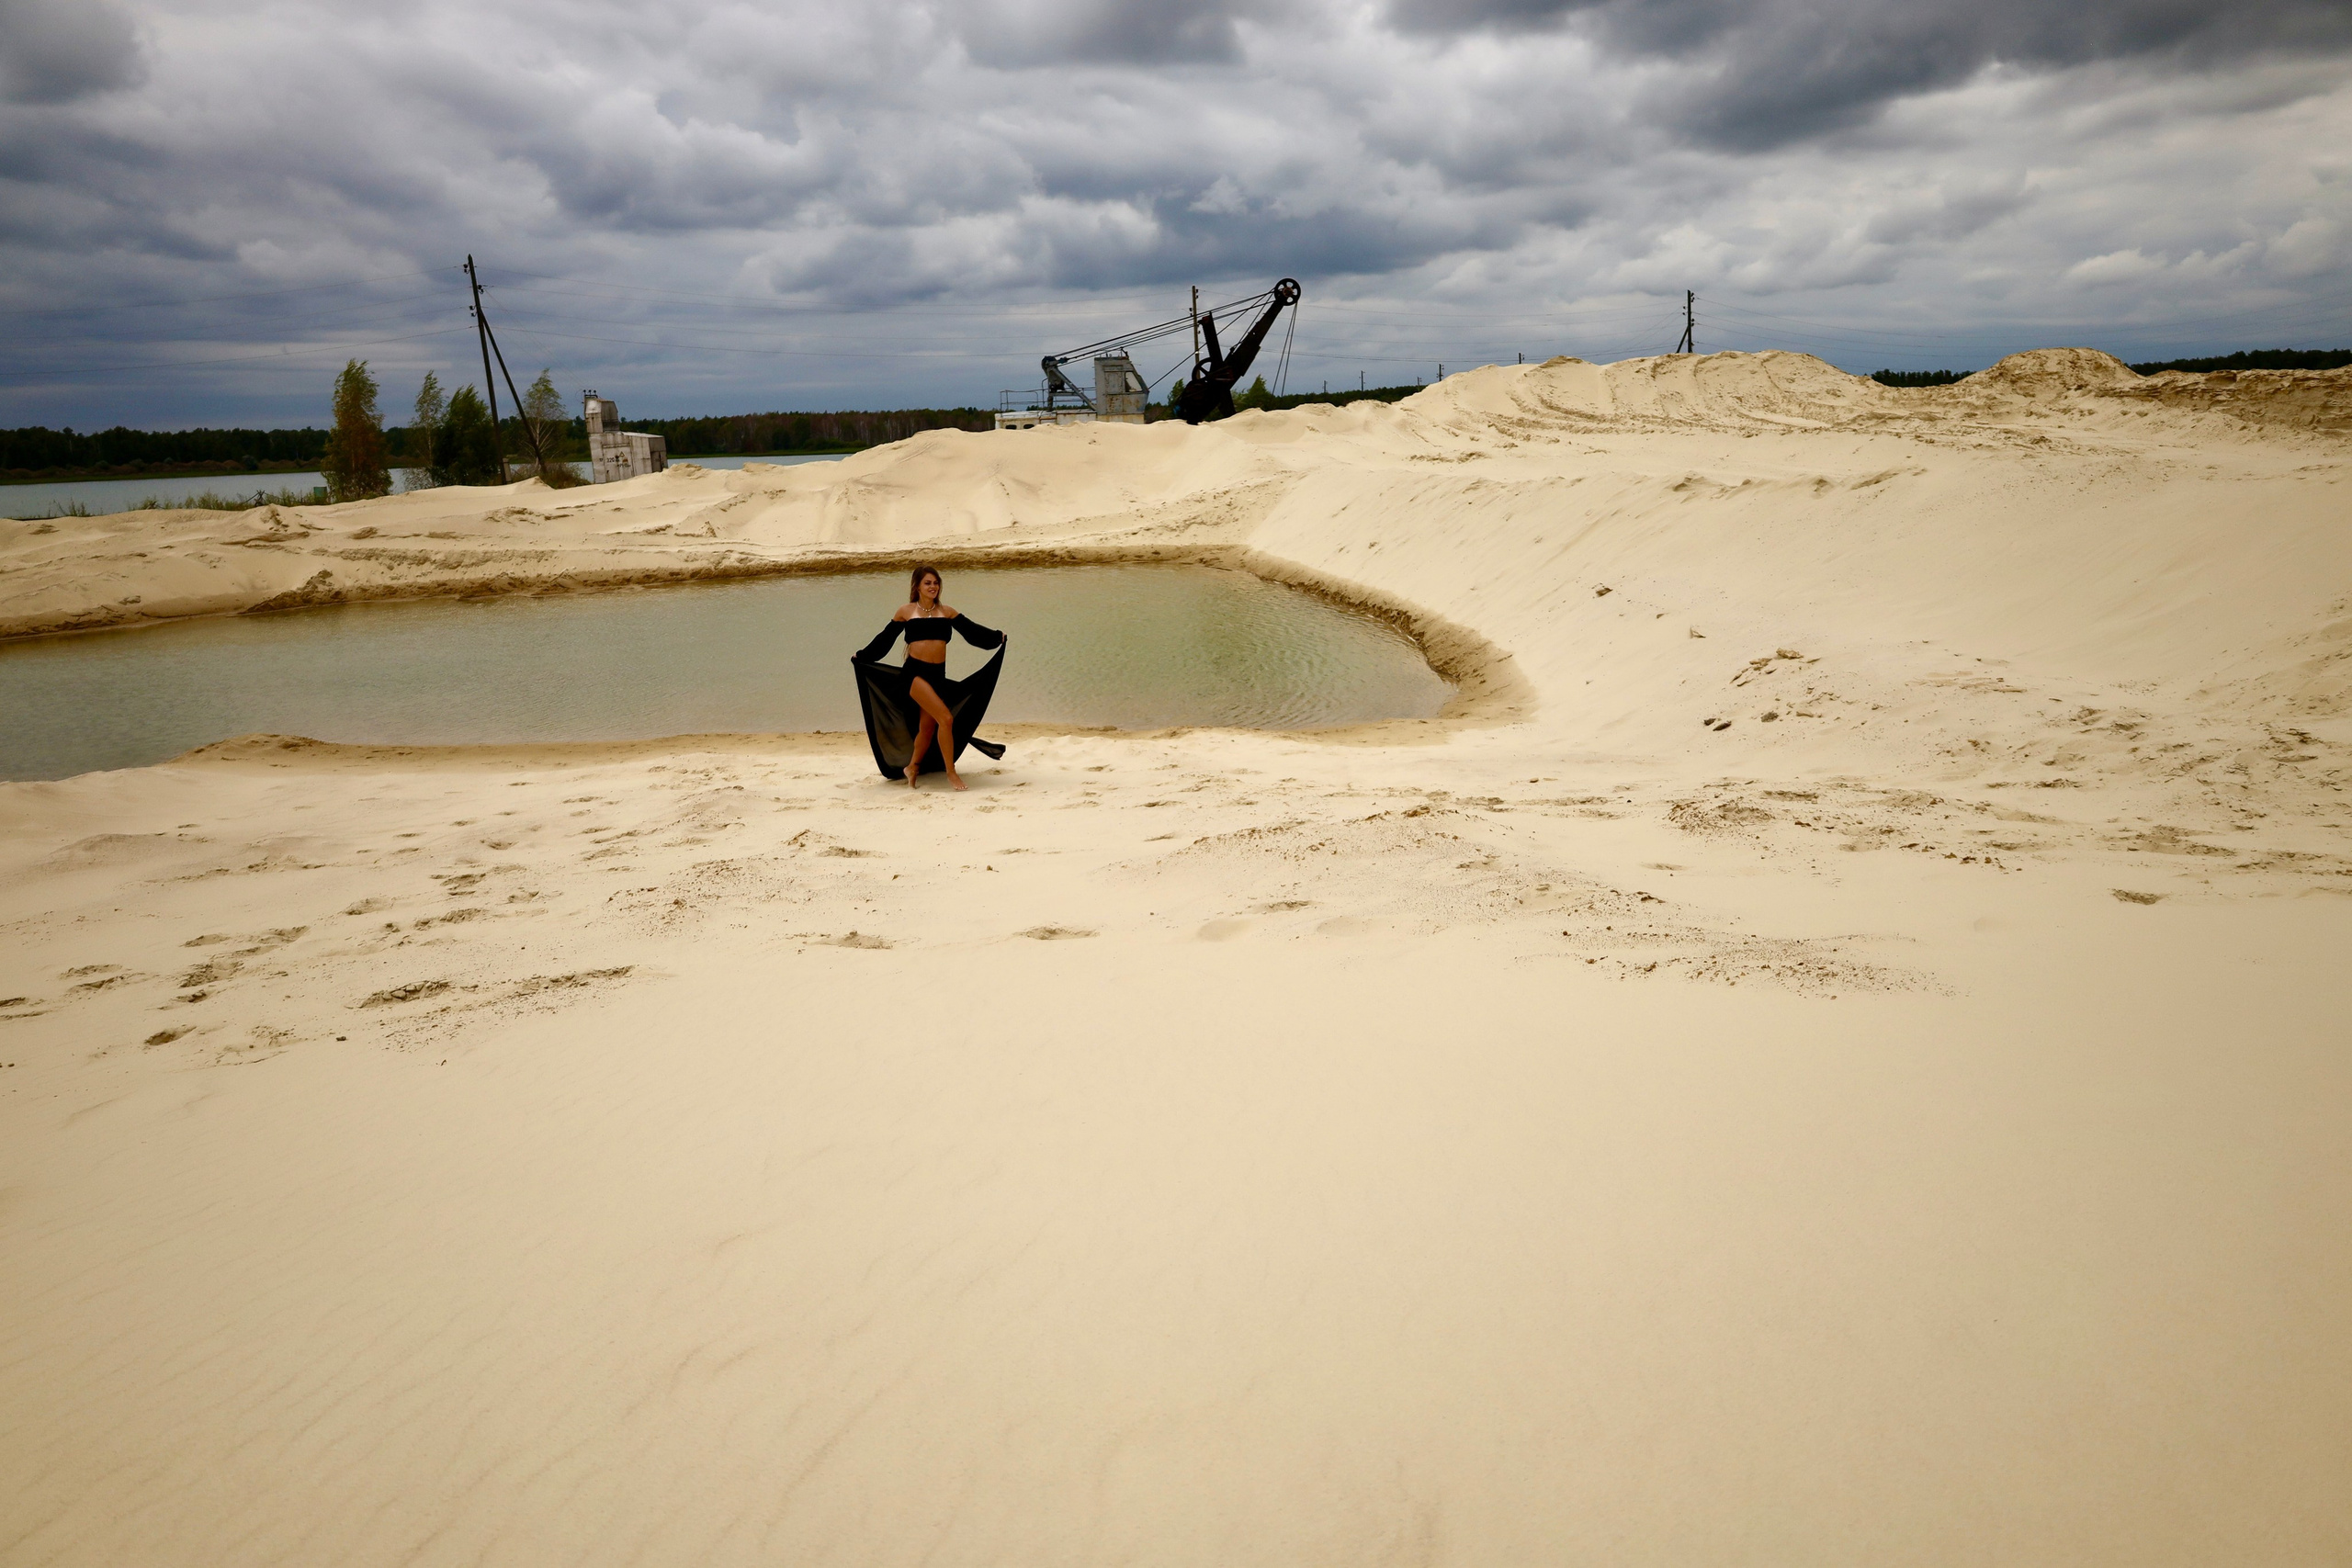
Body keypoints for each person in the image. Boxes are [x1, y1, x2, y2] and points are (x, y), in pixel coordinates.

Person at [850, 566, 1010, 790]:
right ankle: (951, 773)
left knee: (927, 728)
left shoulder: (947, 612)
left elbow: (972, 632)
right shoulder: (906, 611)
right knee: (946, 719)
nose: (933, 586)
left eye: (936, 583)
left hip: (938, 676)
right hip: (914, 674)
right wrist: (863, 655)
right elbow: (885, 639)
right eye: (928, 583)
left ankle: (912, 767)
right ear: (917, 587)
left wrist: (995, 637)